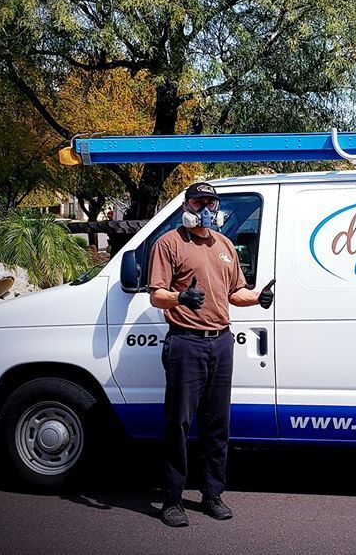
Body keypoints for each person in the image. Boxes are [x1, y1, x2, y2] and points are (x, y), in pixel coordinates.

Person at [148, 181, 274, 528]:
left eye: (211, 203)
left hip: (221, 342)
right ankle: (172, 500)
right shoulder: (169, 243)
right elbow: (156, 295)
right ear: (185, 206)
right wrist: (180, 298)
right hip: (186, 342)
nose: (205, 209)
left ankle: (212, 495)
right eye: (198, 202)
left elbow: (236, 293)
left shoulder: (224, 244)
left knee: (217, 424)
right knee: (179, 423)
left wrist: (258, 297)